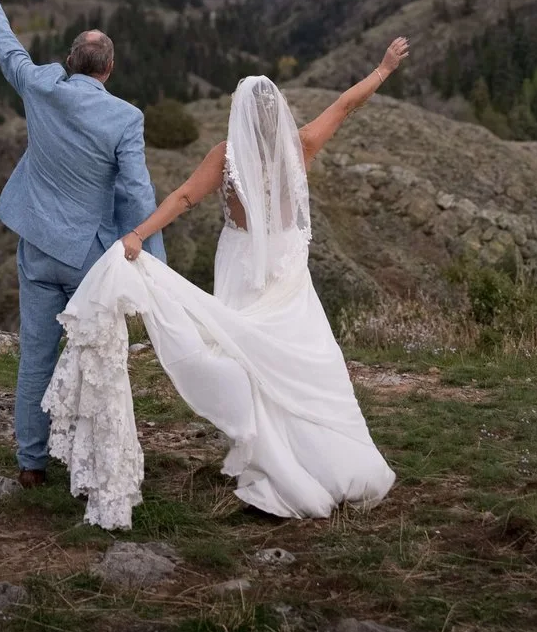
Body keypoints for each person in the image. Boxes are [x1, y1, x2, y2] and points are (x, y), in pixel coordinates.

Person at [41, 38, 409, 529]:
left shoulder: (227, 156)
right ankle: (322, 458)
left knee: (243, 356)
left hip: (240, 264)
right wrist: (383, 69)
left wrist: (137, 235)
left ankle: (264, 452)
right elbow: (345, 102)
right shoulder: (300, 146)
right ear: (276, 112)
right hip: (285, 270)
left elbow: (184, 198)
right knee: (298, 357)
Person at [0, 0, 163, 490]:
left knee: (36, 355)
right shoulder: (125, 118)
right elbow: (136, 191)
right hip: (89, 261)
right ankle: (90, 460)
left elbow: (8, 51)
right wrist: (151, 260)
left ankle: (31, 464)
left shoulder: (41, 88)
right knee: (95, 359)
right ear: (109, 70)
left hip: (36, 248)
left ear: (71, 62)